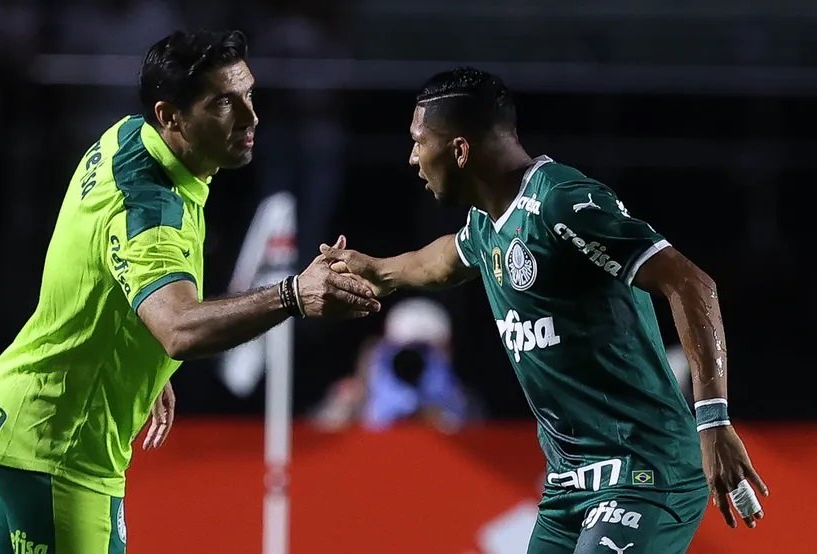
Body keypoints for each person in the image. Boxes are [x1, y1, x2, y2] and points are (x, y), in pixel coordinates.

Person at [320, 67, 768, 553]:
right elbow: (443, 261)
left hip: (645, 470)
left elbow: (691, 283)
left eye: (418, 141)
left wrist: (714, 423)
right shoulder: (488, 222)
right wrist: (377, 272)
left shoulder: (562, 203)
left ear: (460, 150)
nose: (412, 158)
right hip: (568, 486)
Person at [0, 29, 380, 554]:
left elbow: (91, 258)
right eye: (223, 104)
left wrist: (139, 357)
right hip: (62, 445)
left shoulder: (125, 136)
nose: (251, 118)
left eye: (249, 95)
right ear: (170, 116)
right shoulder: (151, 211)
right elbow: (180, 329)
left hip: (33, 417)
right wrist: (293, 294)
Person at [310, 297, 472, 433]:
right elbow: (317, 441)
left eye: (425, 351)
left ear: (447, 353)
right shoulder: (358, 394)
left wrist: (439, 415)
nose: (412, 362)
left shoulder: (463, 400)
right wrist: (348, 404)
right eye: (403, 351)